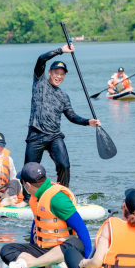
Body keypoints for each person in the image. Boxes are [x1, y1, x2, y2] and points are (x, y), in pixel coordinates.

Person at [24, 44, 100, 193]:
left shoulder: (64, 97)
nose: (59, 76)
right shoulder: (40, 82)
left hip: (54, 136)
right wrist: (61, 51)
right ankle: (27, 200)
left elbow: (72, 116)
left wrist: (88, 122)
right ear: (49, 72)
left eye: (62, 74)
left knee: (64, 165)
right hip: (36, 134)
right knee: (29, 170)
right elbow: (41, 59)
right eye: (56, 73)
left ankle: (62, 194)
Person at [0, 162, 92, 268]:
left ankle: (33, 264)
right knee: (6, 250)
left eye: (22, 183)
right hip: (43, 250)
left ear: (28, 185)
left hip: (62, 249)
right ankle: (50, 266)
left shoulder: (58, 199)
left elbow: (81, 228)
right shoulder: (35, 198)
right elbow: (36, 224)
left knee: (76, 243)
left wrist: (87, 261)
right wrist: (31, 247)